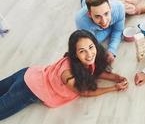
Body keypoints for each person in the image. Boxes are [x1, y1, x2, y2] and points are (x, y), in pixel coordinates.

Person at [0, 29, 128, 120]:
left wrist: (117, 78)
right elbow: (85, 92)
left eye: (91, 47)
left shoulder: (84, 60)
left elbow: (96, 72)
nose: (89, 54)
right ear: (75, 53)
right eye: (82, 51)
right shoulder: (67, 74)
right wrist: (113, 88)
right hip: (28, 89)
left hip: (29, 73)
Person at [75, 0, 125, 64]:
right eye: (97, 16)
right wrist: (111, 28)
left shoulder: (119, 8)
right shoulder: (81, 20)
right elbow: (91, 43)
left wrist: (111, 50)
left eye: (106, 13)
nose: (104, 22)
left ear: (110, 7)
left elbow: (118, 30)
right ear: (89, 14)